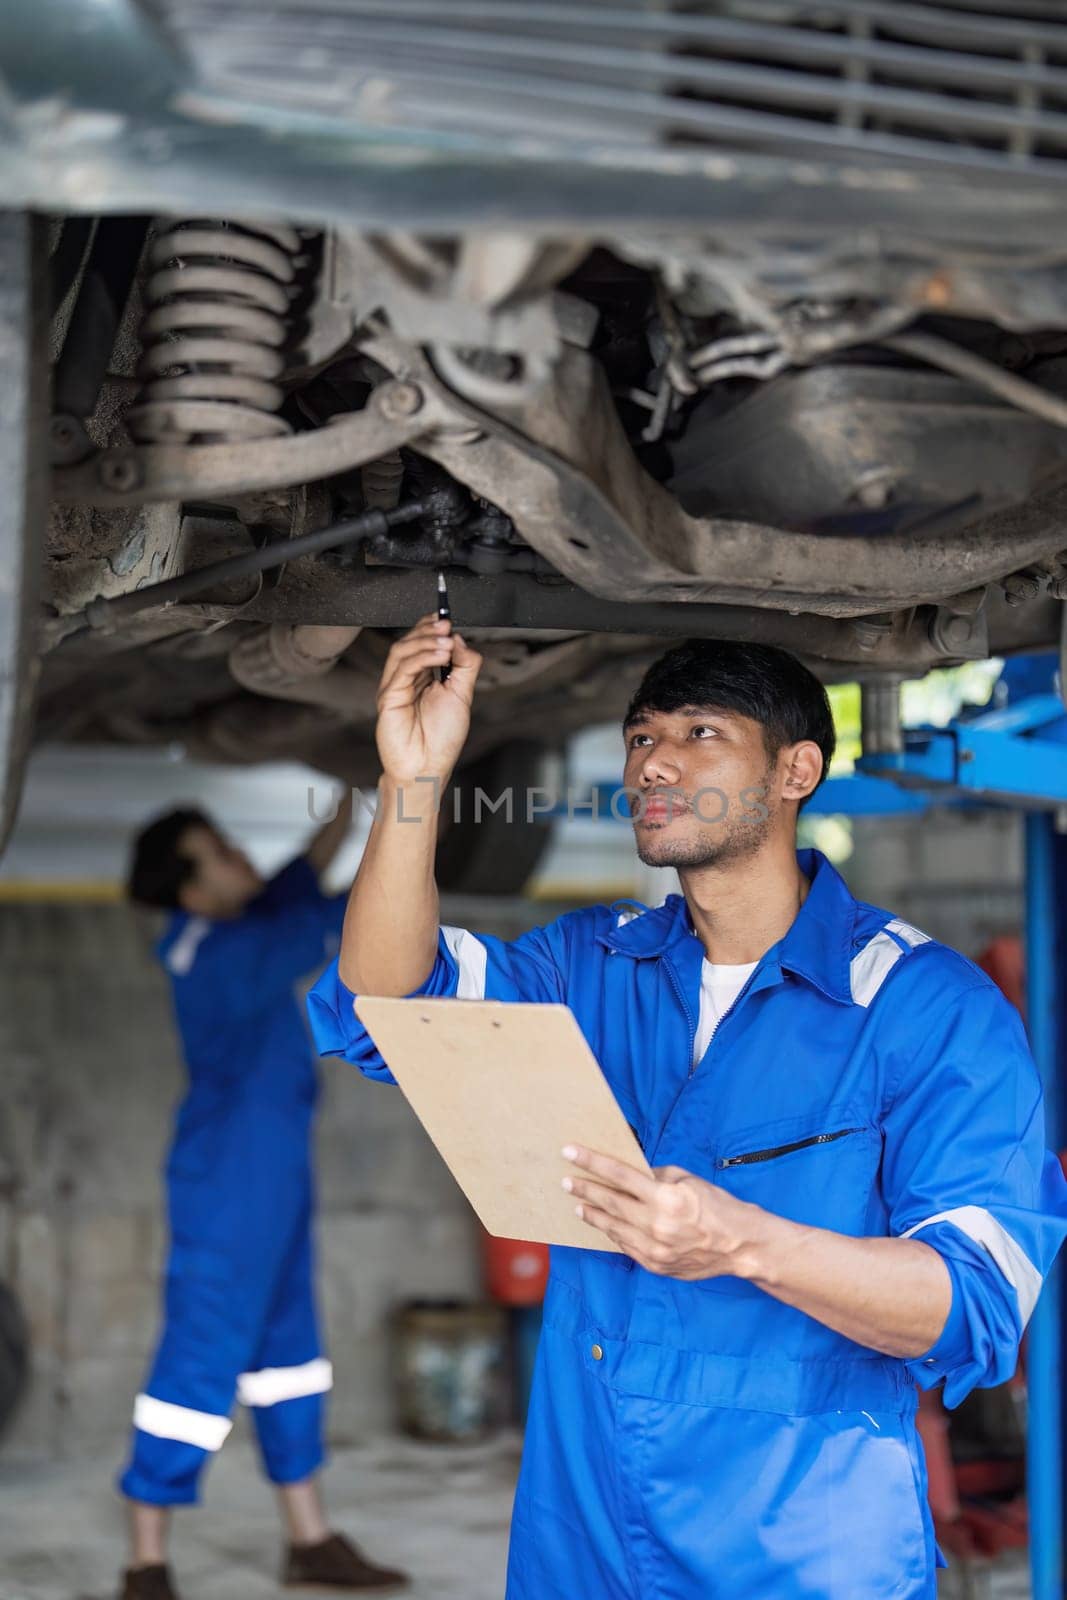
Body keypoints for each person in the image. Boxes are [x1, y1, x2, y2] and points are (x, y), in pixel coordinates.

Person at [306, 614, 1067, 1600]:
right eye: (639, 738)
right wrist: (409, 784)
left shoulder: (924, 1006)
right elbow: (388, 1003)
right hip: (583, 1540)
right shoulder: (590, 962)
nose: (653, 764)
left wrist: (741, 1241)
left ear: (794, 770)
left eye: (698, 733)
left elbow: (970, 1302)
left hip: (799, 1555)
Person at [121, 797, 407, 1600]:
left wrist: (363, 793)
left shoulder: (238, 925)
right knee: (200, 1354)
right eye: (219, 850)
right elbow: (332, 917)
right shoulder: (213, 952)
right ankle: (145, 1561)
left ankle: (309, 1541)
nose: (241, 854)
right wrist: (408, 817)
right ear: (190, 889)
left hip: (274, 1177)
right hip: (227, 1187)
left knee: (289, 1356)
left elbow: (305, 873)